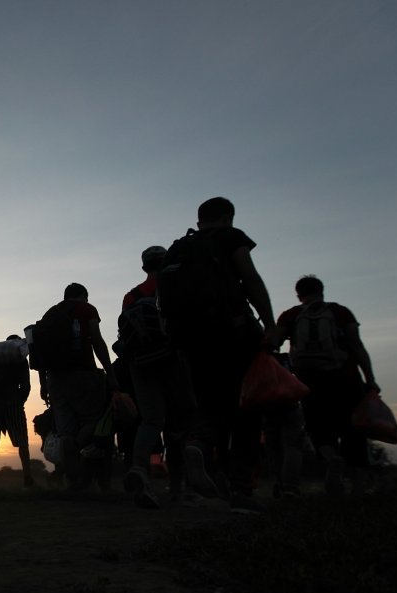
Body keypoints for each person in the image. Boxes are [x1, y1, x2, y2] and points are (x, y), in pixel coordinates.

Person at [161, 197, 276, 514]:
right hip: (233, 333)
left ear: (199, 221)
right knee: (245, 409)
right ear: (228, 217)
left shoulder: (179, 248)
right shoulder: (230, 237)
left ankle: (197, 444)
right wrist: (270, 323)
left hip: (191, 341)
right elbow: (249, 277)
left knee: (211, 406)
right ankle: (241, 489)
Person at [272, 275, 379, 496]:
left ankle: (332, 458)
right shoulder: (340, 312)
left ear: (299, 295)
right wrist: (370, 379)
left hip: (308, 381)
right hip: (346, 378)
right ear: (322, 291)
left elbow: (273, 343)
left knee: (317, 426)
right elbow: (356, 346)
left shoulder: (291, 315)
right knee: (353, 429)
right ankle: (358, 486)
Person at [118, 246, 195, 509]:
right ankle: (177, 489)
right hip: (174, 359)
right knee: (177, 424)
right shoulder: (178, 286)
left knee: (150, 421)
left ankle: (140, 470)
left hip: (141, 364)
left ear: (144, 267)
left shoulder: (132, 296)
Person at [38, 282, 120, 491]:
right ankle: (78, 452)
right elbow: (97, 341)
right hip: (83, 373)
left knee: (65, 428)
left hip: (54, 378)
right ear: (84, 296)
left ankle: (72, 480)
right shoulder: (86, 309)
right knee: (95, 420)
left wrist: (43, 384)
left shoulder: (51, 314)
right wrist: (110, 374)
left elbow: (39, 351)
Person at [0, 335, 35, 491]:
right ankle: (28, 481)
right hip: (13, 405)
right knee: (22, 443)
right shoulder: (21, 361)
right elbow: (25, 387)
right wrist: (19, 401)